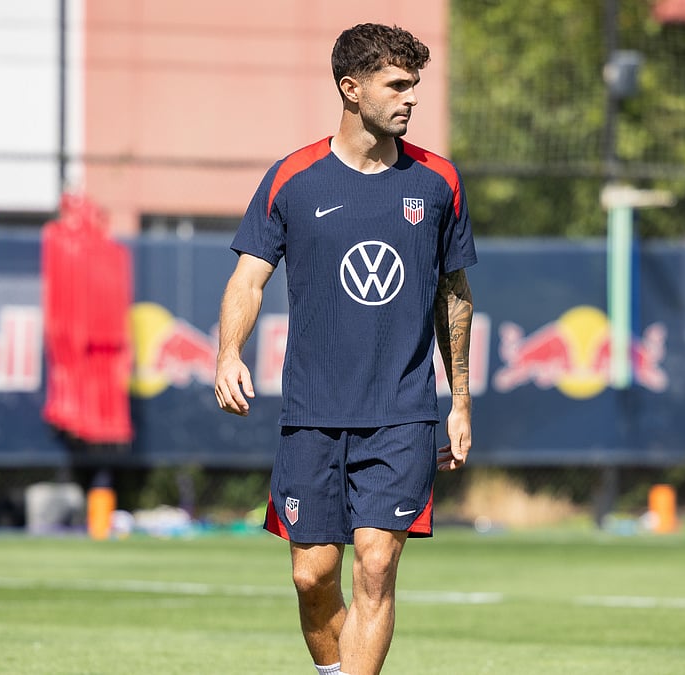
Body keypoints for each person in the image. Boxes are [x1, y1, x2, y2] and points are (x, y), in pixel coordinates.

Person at [215, 23, 476, 675]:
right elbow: (248, 278)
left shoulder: (438, 182)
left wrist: (460, 400)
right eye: (396, 85)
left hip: (402, 412)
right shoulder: (293, 179)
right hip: (311, 412)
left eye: (413, 85)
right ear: (351, 88)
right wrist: (228, 353)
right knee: (312, 575)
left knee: (378, 564)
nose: (409, 98)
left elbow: (456, 295)